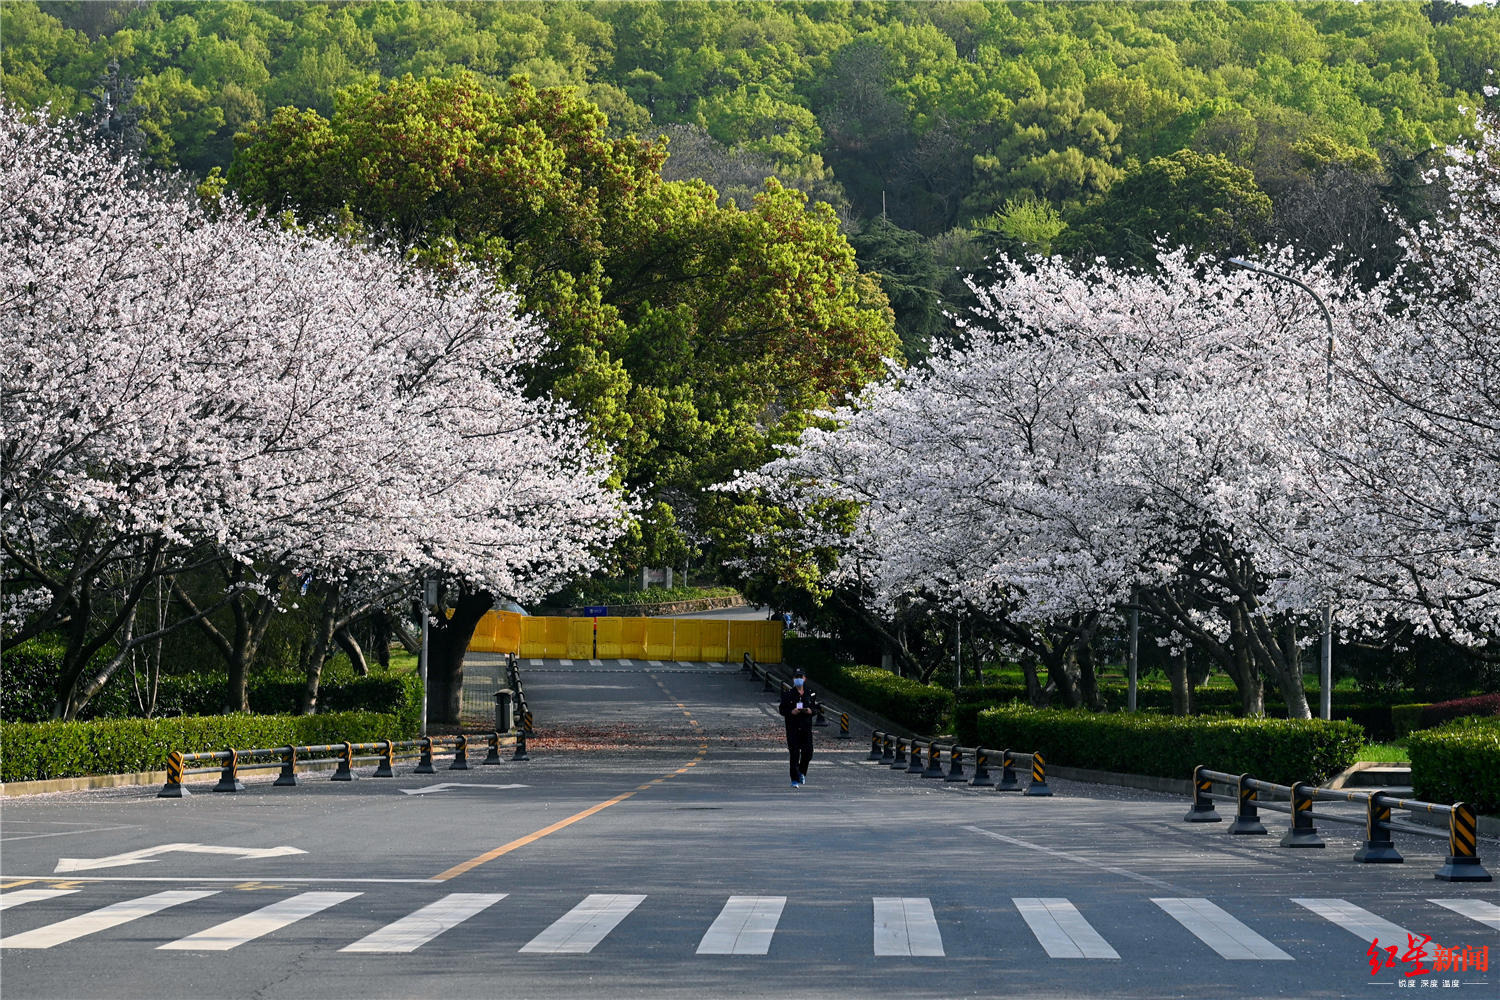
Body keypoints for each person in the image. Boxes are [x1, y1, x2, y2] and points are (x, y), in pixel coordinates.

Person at [778, 667, 817, 788]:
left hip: (806, 727)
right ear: (793, 679)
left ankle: (801, 772)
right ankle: (794, 779)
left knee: (808, 752)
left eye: (801, 677)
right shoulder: (788, 694)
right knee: (794, 754)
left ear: (804, 678)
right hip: (793, 728)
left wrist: (810, 711)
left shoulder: (810, 693)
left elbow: (815, 708)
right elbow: (782, 709)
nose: (799, 679)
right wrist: (791, 712)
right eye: (796, 677)